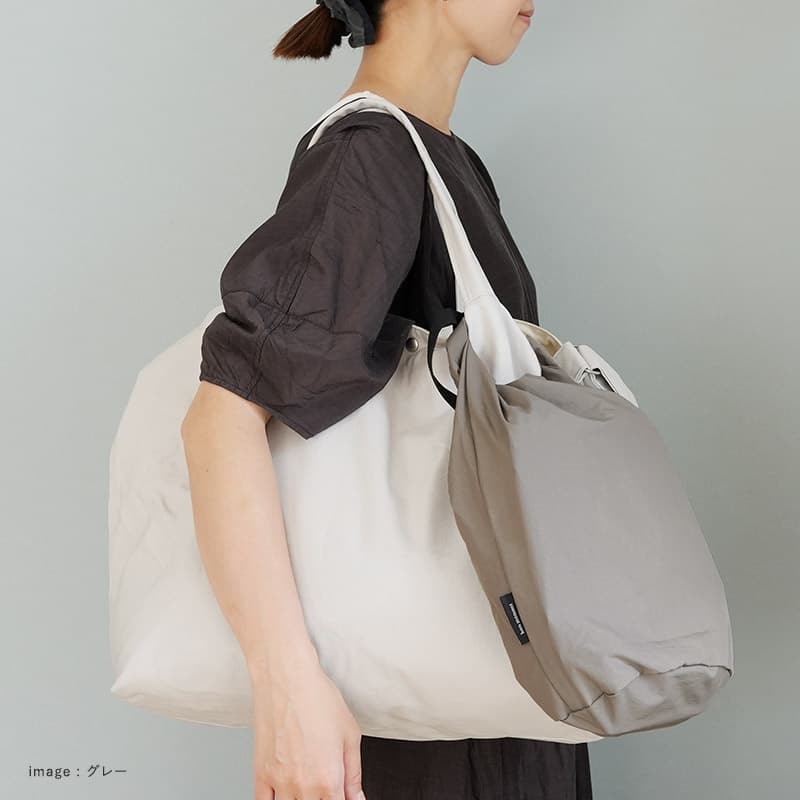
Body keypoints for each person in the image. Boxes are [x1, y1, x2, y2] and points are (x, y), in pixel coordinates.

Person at [181, 1, 593, 798]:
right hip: (431, 732)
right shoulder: (369, 157)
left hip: (487, 700)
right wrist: (287, 685)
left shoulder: (443, 161)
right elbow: (220, 418)